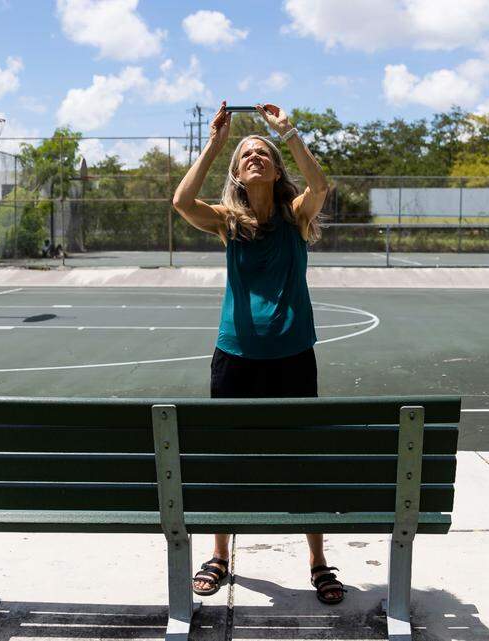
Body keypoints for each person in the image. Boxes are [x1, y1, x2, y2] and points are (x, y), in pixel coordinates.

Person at [171, 101, 344, 605]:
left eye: (262, 152)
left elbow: (320, 187)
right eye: (246, 153)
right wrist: (215, 143)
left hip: (292, 356)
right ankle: (220, 555)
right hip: (236, 358)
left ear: (275, 168)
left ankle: (318, 561)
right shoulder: (228, 221)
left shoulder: (295, 216)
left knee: (302, 460)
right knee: (227, 459)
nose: (254, 156)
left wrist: (288, 132)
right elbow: (182, 201)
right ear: (237, 173)